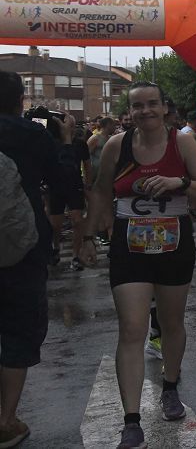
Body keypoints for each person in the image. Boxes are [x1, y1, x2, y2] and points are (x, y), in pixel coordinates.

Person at [88, 81, 196, 449]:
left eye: (151, 105)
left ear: (164, 108)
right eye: (137, 106)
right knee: (132, 327)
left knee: (172, 322)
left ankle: (170, 386)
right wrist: (86, 237)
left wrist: (180, 181)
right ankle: (131, 422)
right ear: (129, 112)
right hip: (129, 244)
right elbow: (100, 189)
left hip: (173, 242)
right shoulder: (118, 145)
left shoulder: (183, 143)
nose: (144, 111)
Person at [0, 72, 81, 449]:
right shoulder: (32, 135)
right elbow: (64, 186)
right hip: (23, 244)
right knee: (18, 329)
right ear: (20, 100)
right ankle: (6, 422)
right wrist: (64, 140)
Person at [48, 124, 90, 269]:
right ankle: (55, 248)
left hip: (75, 186)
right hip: (56, 187)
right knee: (55, 224)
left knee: (77, 221)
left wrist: (87, 184)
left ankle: (75, 256)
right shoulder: (52, 142)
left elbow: (87, 164)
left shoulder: (80, 144)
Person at [87, 117, 117, 246]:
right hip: (94, 178)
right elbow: (86, 157)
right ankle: (101, 233)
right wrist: (87, 178)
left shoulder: (110, 139)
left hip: (107, 177)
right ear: (108, 125)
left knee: (107, 205)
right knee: (98, 205)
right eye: (113, 124)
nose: (115, 127)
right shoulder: (95, 138)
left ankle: (107, 231)